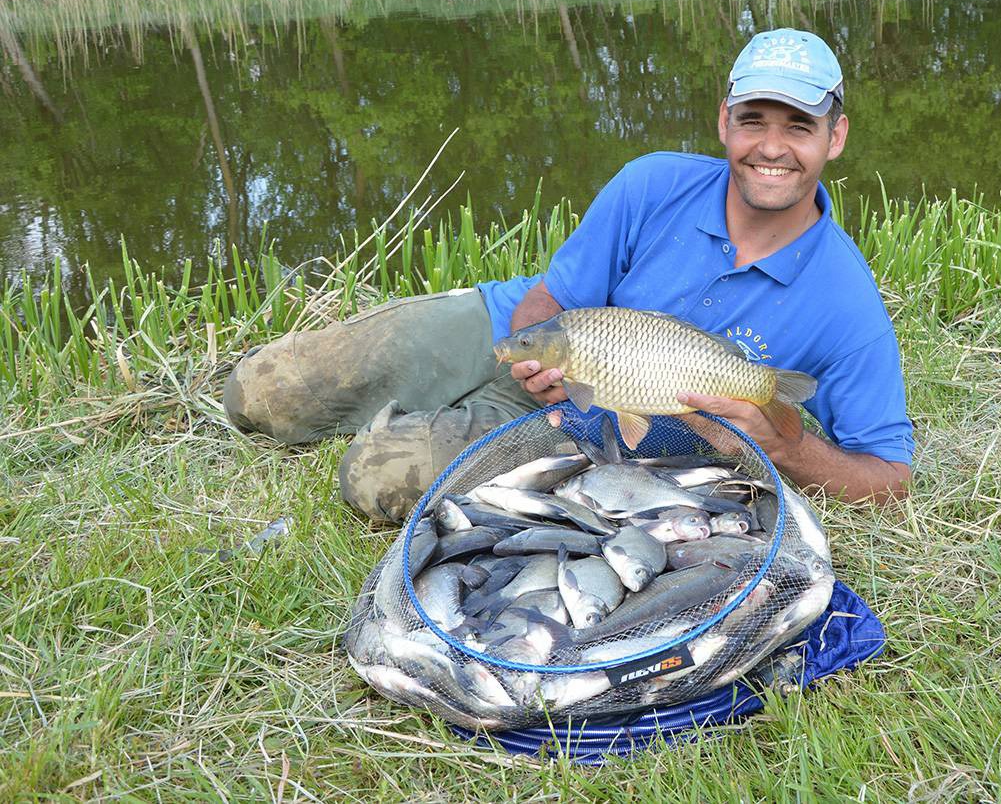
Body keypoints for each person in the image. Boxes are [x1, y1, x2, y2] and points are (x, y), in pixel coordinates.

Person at [222, 28, 913, 524]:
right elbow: (552, 299)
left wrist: (780, 444)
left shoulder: (846, 302)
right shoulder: (651, 184)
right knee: (258, 393)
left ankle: (416, 427)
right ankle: (393, 395)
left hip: (593, 424)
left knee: (374, 477)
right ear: (723, 123)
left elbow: (890, 479)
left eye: (799, 125)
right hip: (521, 333)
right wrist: (531, 350)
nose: (771, 145)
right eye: (753, 120)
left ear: (837, 136)